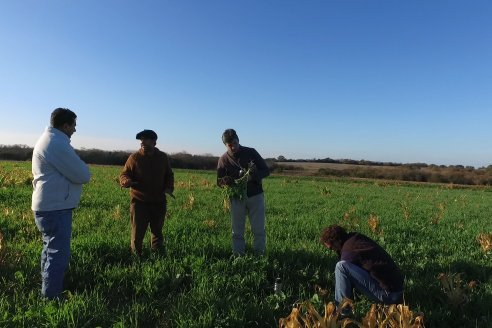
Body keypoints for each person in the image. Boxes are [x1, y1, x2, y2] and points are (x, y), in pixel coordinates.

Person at [31, 108, 91, 299]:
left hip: (49, 206)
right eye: (73, 125)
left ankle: (48, 290)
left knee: (50, 251)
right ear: (65, 125)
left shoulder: (49, 139)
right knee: (58, 255)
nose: (74, 129)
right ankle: (51, 297)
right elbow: (83, 175)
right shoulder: (57, 143)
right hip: (55, 207)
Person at [320, 225, 404, 314]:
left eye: (331, 247)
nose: (332, 250)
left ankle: (342, 313)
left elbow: (345, 278)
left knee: (341, 267)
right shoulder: (354, 238)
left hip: (390, 295)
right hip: (397, 290)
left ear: (338, 241)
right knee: (345, 267)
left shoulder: (349, 251)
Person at [119, 129, 174, 256]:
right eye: (141, 140)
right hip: (139, 202)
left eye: (146, 139)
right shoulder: (134, 158)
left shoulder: (162, 157)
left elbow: (169, 175)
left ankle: (157, 256)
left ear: (154, 142)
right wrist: (125, 180)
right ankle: (136, 257)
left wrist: (169, 188)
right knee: (137, 233)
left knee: (157, 232)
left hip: (159, 201)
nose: (142, 142)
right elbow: (124, 173)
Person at [217, 129, 270, 255]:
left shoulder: (251, 152)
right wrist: (226, 182)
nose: (233, 146)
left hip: (255, 195)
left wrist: (253, 176)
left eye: (234, 143)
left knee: (258, 229)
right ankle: (238, 255)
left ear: (238, 140)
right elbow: (219, 182)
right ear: (225, 145)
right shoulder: (223, 159)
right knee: (237, 231)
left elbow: (266, 170)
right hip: (236, 198)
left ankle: (259, 254)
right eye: (229, 145)